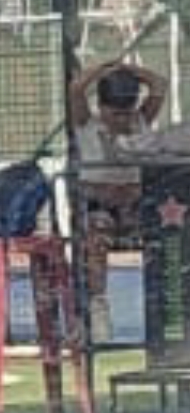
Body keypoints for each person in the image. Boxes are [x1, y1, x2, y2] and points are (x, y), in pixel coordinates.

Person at [69, 52, 166, 340]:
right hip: (101, 206)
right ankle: (99, 305)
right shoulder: (87, 125)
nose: (121, 119)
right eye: (115, 113)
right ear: (102, 108)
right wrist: (104, 68)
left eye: (126, 113)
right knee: (96, 237)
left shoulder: (140, 121)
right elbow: (76, 89)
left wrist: (129, 70)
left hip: (135, 206)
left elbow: (159, 84)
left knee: (170, 231)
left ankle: (167, 303)